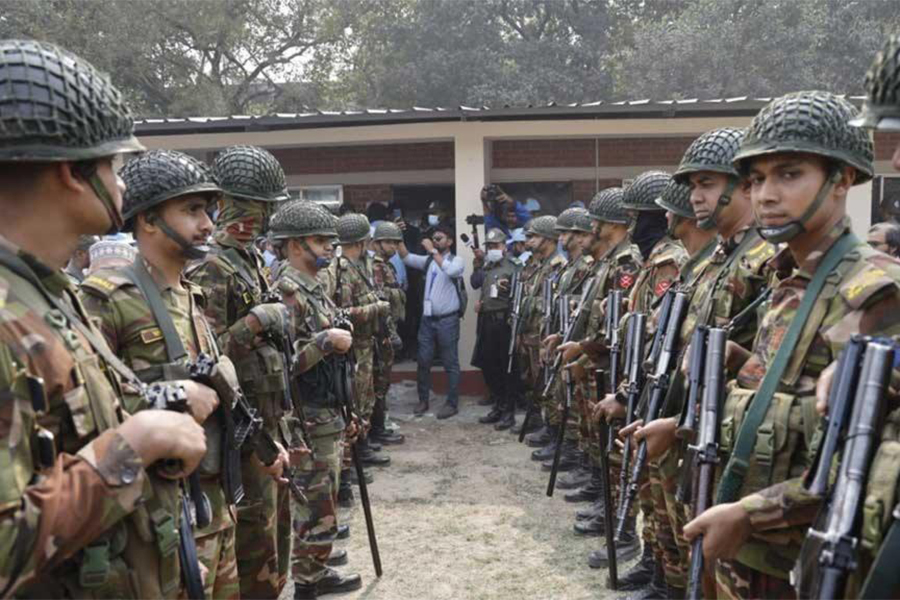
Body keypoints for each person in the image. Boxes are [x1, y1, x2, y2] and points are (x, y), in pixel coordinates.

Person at [0, 39, 209, 599]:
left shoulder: (48, 292)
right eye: (113, 165)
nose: (122, 184)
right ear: (72, 171)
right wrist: (132, 446)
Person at [682, 91, 900, 599]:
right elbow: (788, 396)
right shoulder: (788, 281)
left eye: (789, 174)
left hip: (803, 564)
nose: (766, 195)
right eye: (756, 179)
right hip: (748, 548)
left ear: (842, 179)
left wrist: (750, 514)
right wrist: (738, 366)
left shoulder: (875, 287)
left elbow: (863, 456)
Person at [80, 149, 276, 600]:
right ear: (148, 219)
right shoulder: (108, 300)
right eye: (192, 210)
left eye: (208, 210)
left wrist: (264, 448)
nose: (207, 224)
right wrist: (171, 395)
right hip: (158, 520)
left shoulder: (192, 297)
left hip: (215, 506)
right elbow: (87, 411)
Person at [187, 144, 297, 599]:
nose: (262, 217)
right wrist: (255, 321)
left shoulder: (248, 260)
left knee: (277, 530)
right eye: (256, 207)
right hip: (242, 427)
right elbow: (205, 357)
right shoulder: (212, 265)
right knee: (254, 535)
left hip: (270, 415)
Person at [269, 200, 364, 599]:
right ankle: (308, 582)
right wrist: (326, 341)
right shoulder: (288, 293)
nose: (329, 247)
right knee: (315, 502)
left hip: (328, 408)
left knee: (323, 499)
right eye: (321, 241)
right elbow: (282, 363)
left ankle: (315, 567)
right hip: (307, 417)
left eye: (331, 241)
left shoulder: (315, 287)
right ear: (295, 245)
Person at [327, 213, 392, 466]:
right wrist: (376, 308)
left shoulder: (358, 267)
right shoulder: (344, 271)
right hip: (353, 347)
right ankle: (356, 455)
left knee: (366, 398)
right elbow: (342, 313)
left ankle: (363, 445)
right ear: (360, 242)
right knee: (356, 401)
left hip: (366, 344)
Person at [398, 223, 465, 419]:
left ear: (449, 242)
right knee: (423, 361)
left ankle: (452, 404)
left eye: (439, 238)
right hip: (427, 321)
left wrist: (432, 251)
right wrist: (397, 235)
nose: (435, 241)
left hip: (448, 321)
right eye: (433, 238)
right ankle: (423, 400)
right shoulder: (428, 261)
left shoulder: (457, 260)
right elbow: (406, 257)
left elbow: (451, 271)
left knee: (450, 363)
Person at [516, 216, 565, 439]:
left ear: (548, 238)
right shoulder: (541, 265)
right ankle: (541, 420)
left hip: (545, 335)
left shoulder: (557, 265)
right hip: (532, 332)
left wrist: (529, 302)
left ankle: (552, 429)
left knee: (548, 383)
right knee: (534, 379)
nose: (529, 241)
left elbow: (552, 303)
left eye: (534, 236)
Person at [472, 228, 521, 430]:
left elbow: (519, 296)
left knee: (506, 368)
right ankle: (498, 406)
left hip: (504, 323)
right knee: (488, 365)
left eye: (496, 245)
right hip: (487, 321)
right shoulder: (487, 266)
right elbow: (477, 284)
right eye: (490, 246)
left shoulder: (514, 266)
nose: (492, 249)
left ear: (504, 246)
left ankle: (509, 411)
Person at [370, 221, 407, 445]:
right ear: (377, 243)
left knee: (383, 380)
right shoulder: (376, 267)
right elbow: (381, 303)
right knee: (379, 381)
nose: (393, 246)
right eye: (389, 242)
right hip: (381, 332)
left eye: (396, 242)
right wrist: (390, 333)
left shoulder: (387, 265)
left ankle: (379, 425)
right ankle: (376, 429)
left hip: (388, 329)